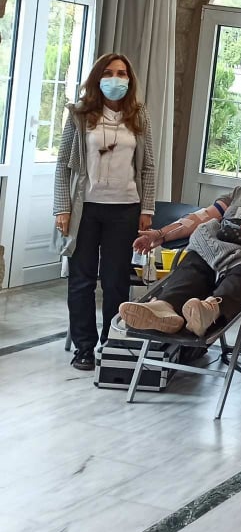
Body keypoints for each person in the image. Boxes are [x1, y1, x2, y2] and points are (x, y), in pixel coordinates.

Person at [119, 135, 241, 337]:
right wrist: (160, 235)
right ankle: (164, 308)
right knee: (197, 257)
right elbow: (202, 217)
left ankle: (210, 311)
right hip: (220, 246)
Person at [53, 53, 156, 371]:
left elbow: (148, 166)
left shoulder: (138, 115)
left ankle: (113, 344)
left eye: (122, 73)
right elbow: (63, 164)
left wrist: (147, 208)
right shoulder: (79, 114)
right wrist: (62, 208)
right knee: (81, 280)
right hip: (85, 209)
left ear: (129, 80)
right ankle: (84, 347)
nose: (115, 79)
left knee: (115, 281)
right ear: (98, 78)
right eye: (109, 73)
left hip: (125, 209)